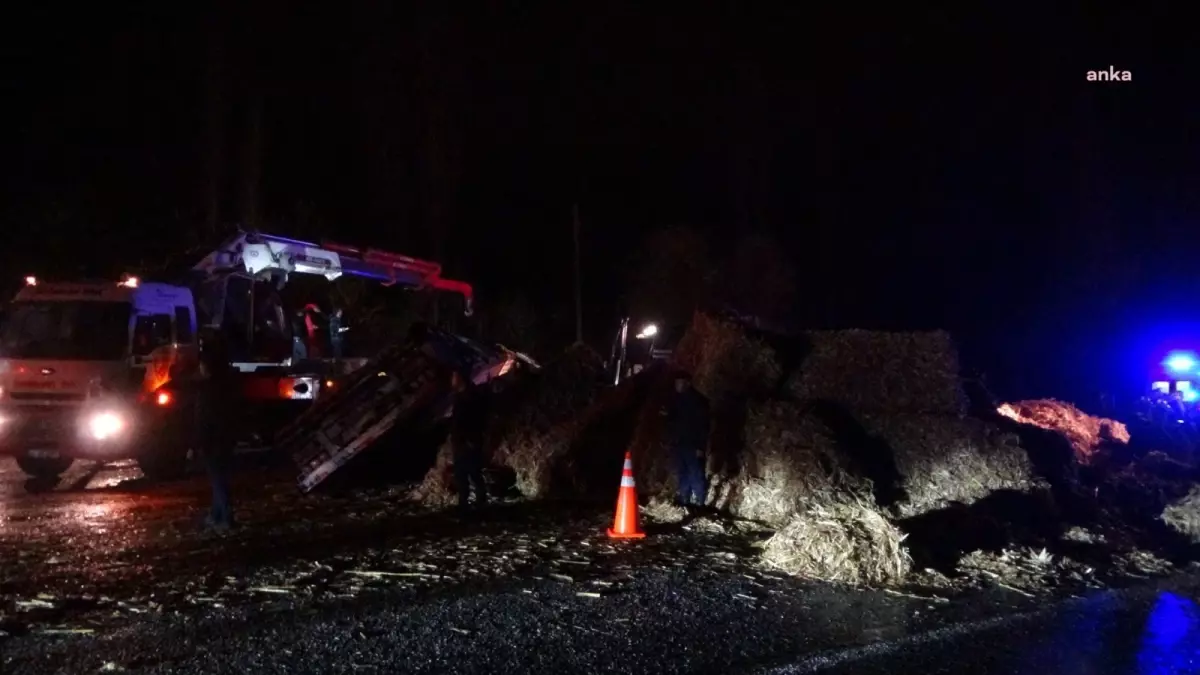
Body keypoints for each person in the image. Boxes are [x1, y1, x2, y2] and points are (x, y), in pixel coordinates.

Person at [196, 332, 237, 530]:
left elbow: (205, 417)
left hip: (213, 440)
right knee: (220, 478)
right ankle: (217, 514)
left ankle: (225, 516)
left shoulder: (208, 389)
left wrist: (199, 440)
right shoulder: (226, 384)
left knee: (218, 479)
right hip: (226, 437)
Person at [663, 372, 711, 508]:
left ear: (687, 383)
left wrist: (700, 446)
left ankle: (699, 501)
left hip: (692, 443)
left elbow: (703, 425)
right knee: (682, 471)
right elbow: (674, 421)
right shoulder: (677, 400)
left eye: (679, 382)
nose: (676, 385)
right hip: (679, 443)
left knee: (695, 472)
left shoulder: (698, 401)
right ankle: (685, 499)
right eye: (676, 383)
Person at [449, 370, 489, 513]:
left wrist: (470, 440)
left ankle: (480, 502)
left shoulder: (468, 398)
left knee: (473, 472)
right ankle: (465, 502)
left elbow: (473, 421)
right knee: (462, 474)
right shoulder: (460, 398)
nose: (452, 381)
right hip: (461, 443)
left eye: (455, 378)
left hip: (468, 442)